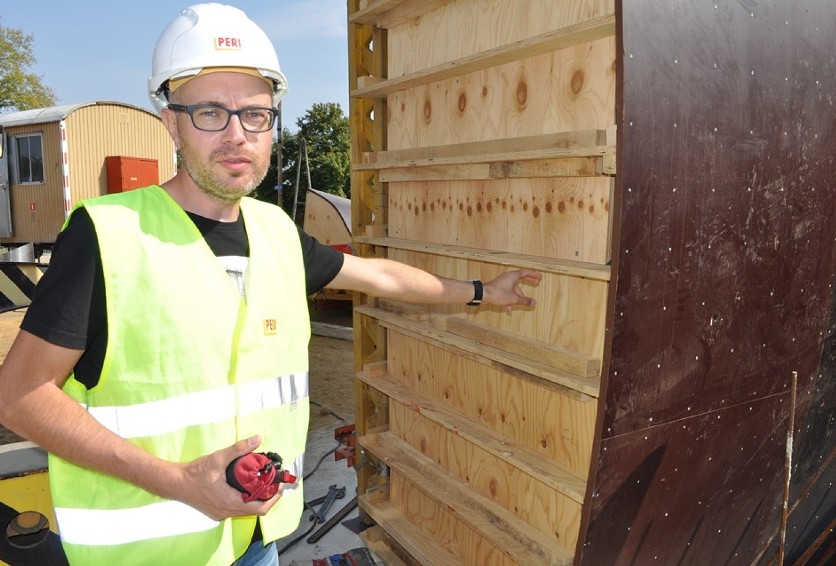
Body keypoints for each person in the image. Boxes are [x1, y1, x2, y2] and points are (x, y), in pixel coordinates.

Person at [0, 4, 540, 566]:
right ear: (171, 123)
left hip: (258, 540)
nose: (238, 135)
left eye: (255, 115)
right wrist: (179, 480)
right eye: (211, 112)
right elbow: (19, 397)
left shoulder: (275, 231)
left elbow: (379, 274)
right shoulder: (106, 235)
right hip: (147, 551)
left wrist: (482, 291)